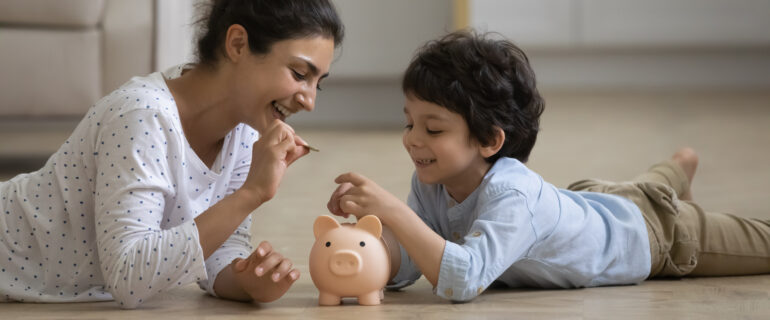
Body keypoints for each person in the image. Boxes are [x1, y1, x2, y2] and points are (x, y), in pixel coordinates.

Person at [327, 30, 770, 302]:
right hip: (591, 199)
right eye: (408, 123)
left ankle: (672, 177)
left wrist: (394, 212)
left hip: (657, 236)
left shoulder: (511, 197)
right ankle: (676, 169)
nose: (412, 139)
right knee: (636, 191)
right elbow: (413, 263)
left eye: (433, 129)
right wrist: (367, 243)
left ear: (489, 140)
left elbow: (462, 280)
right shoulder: (432, 180)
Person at [0, 0, 343, 308]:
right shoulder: (141, 115)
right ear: (238, 44)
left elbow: (219, 251)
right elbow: (129, 276)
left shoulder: (245, 131)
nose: (309, 101)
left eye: (318, 83)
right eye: (299, 74)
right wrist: (251, 193)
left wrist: (247, 281)